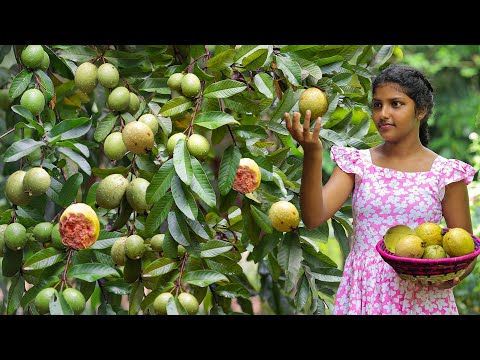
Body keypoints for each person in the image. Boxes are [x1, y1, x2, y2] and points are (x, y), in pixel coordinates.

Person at [284, 64, 476, 315]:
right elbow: (312, 217)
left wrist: (451, 277)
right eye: (377, 105)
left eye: (396, 104)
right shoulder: (357, 164)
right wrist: (312, 153)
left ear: (421, 110)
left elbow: (466, 251)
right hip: (366, 292)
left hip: (423, 299)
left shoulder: (446, 173)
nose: (383, 113)